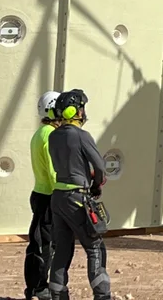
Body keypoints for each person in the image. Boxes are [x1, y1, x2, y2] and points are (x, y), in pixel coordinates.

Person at [47, 89, 112, 300]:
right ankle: (102, 295)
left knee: (63, 249)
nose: (84, 112)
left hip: (58, 199)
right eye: (82, 108)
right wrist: (96, 184)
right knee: (95, 248)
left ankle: (57, 294)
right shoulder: (82, 136)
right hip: (78, 198)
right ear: (75, 111)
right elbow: (100, 167)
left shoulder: (53, 136)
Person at [24, 91, 61, 300]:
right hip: (48, 196)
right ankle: (39, 286)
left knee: (40, 241)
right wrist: (63, 192)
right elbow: (52, 169)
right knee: (44, 244)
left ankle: (36, 286)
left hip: (40, 193)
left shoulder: (40, 132)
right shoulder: (49, 134)